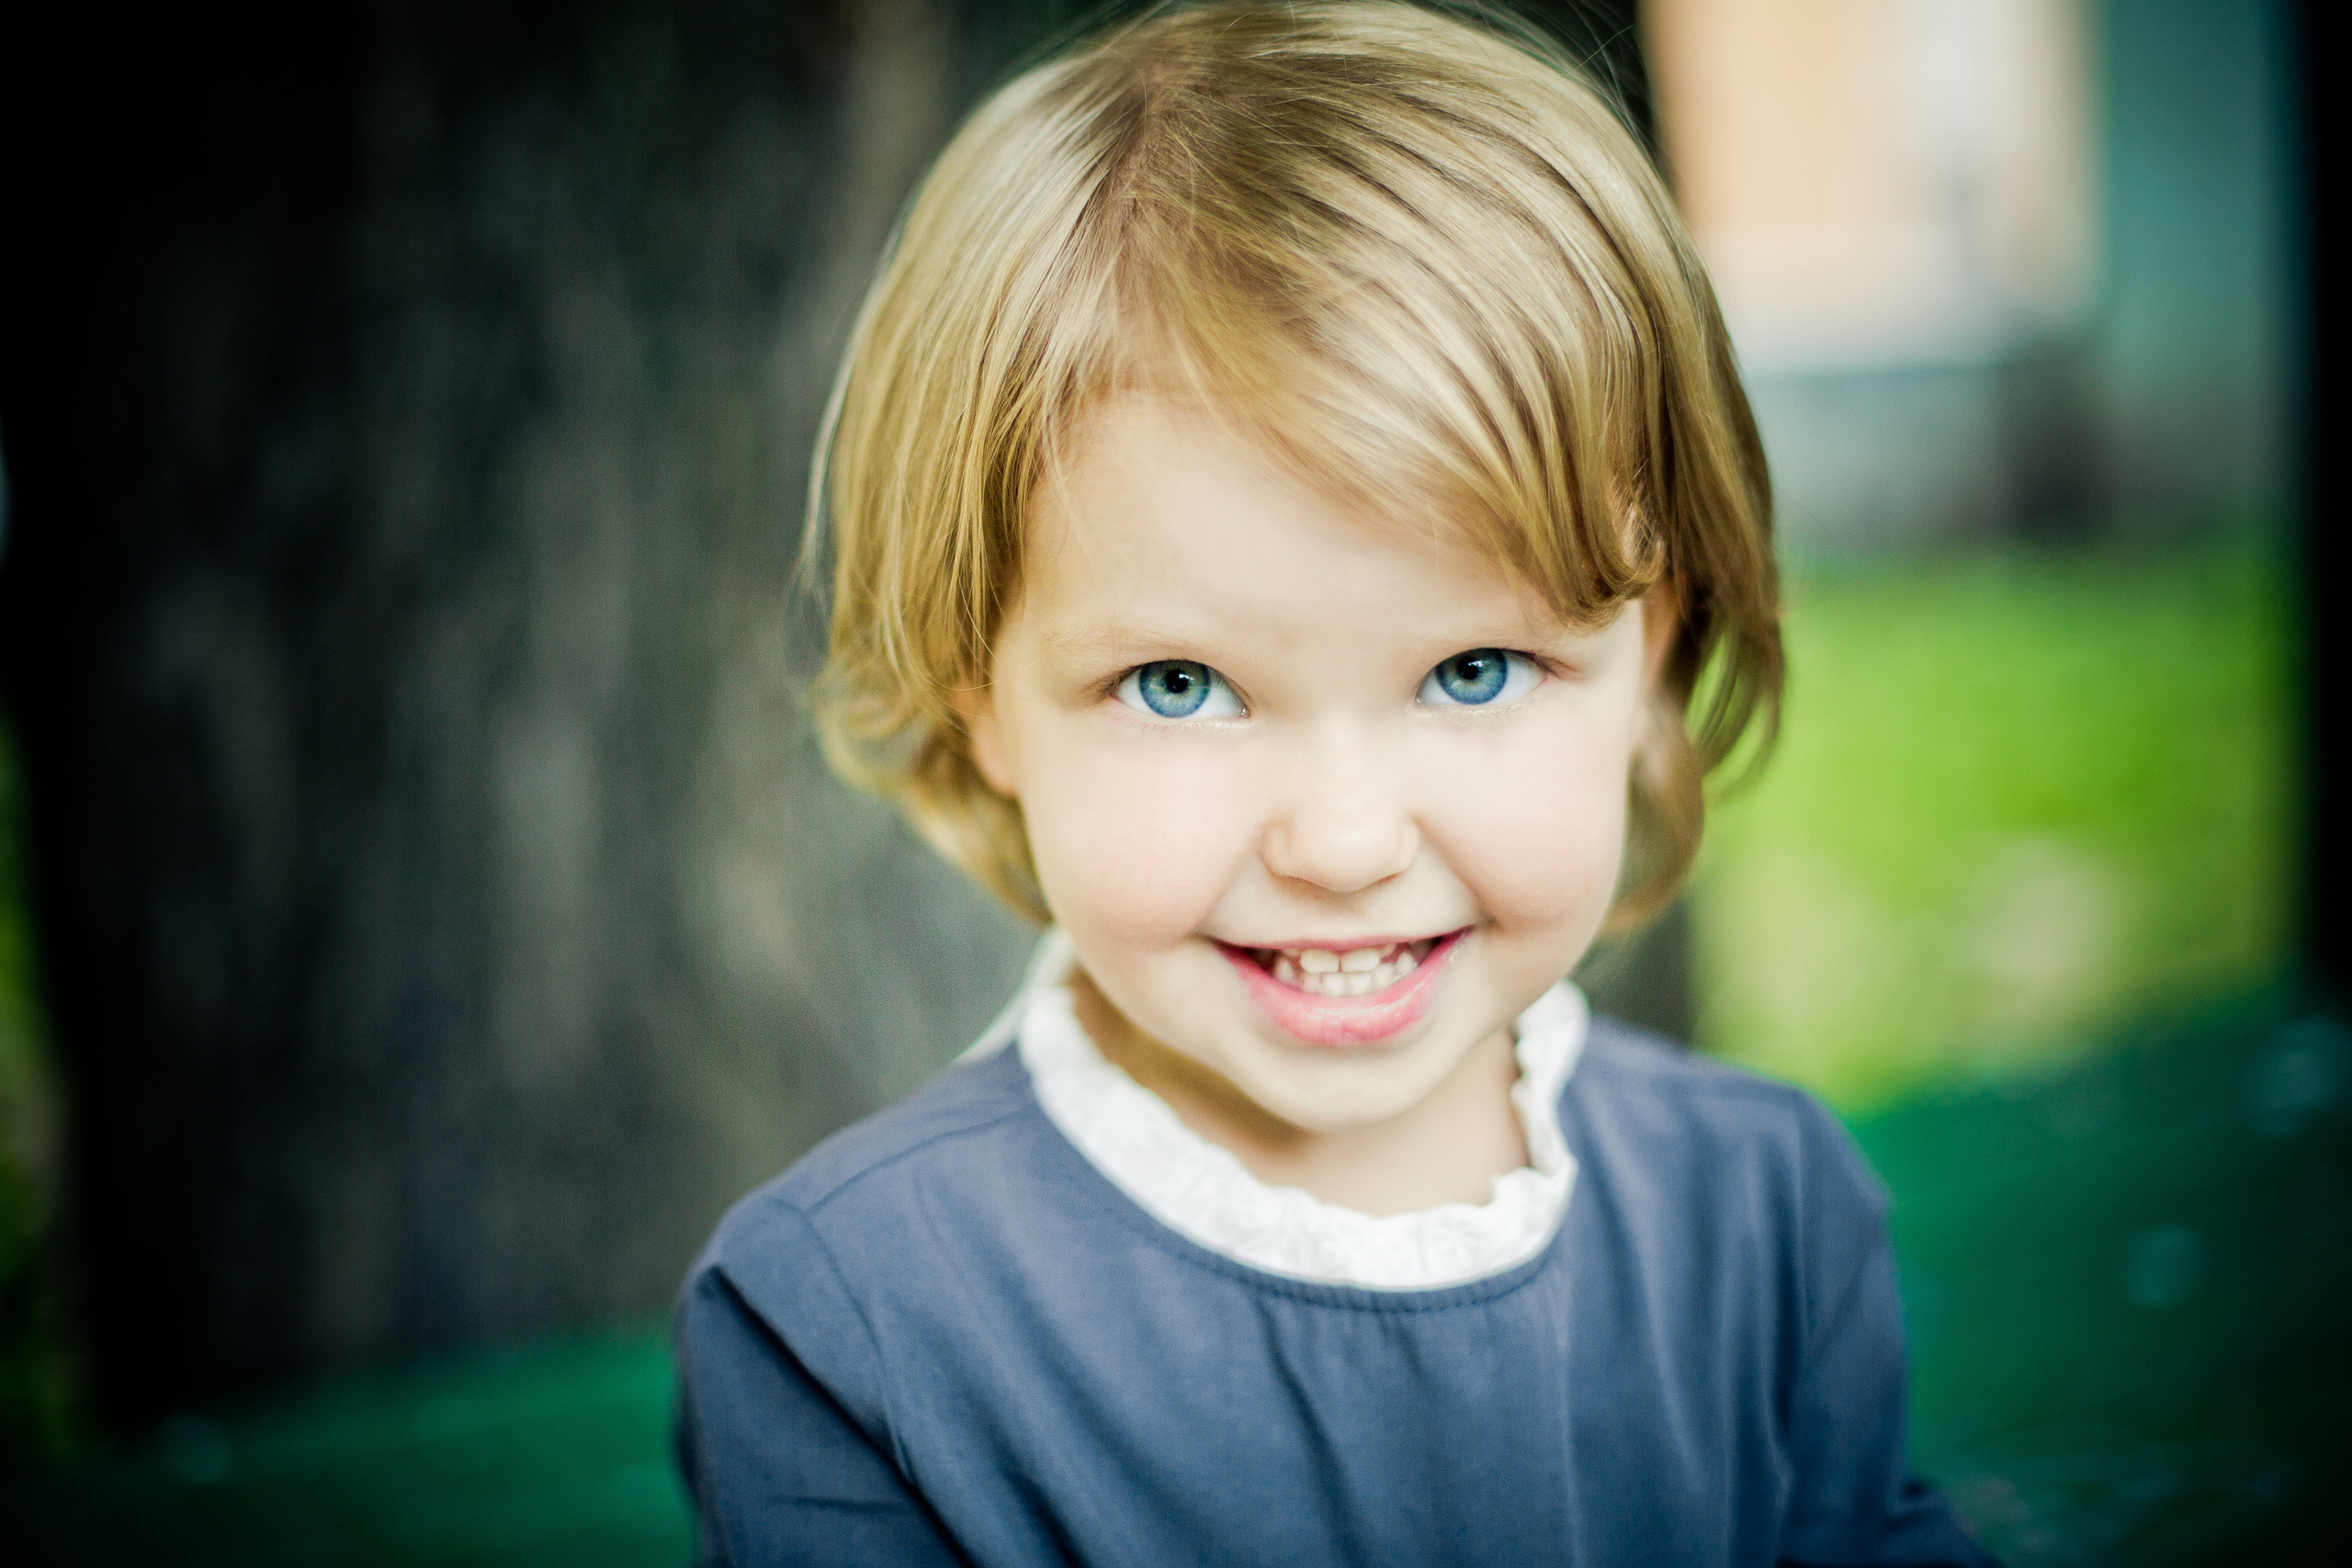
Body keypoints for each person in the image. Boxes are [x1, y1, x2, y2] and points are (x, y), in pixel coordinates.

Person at [673, 4, 1993, 1563]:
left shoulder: (1765, 1217)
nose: (1349, 844)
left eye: (1474, 672)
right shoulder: (853, 1325)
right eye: (1182, 686)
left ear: (1653, 655)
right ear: (984, 706)